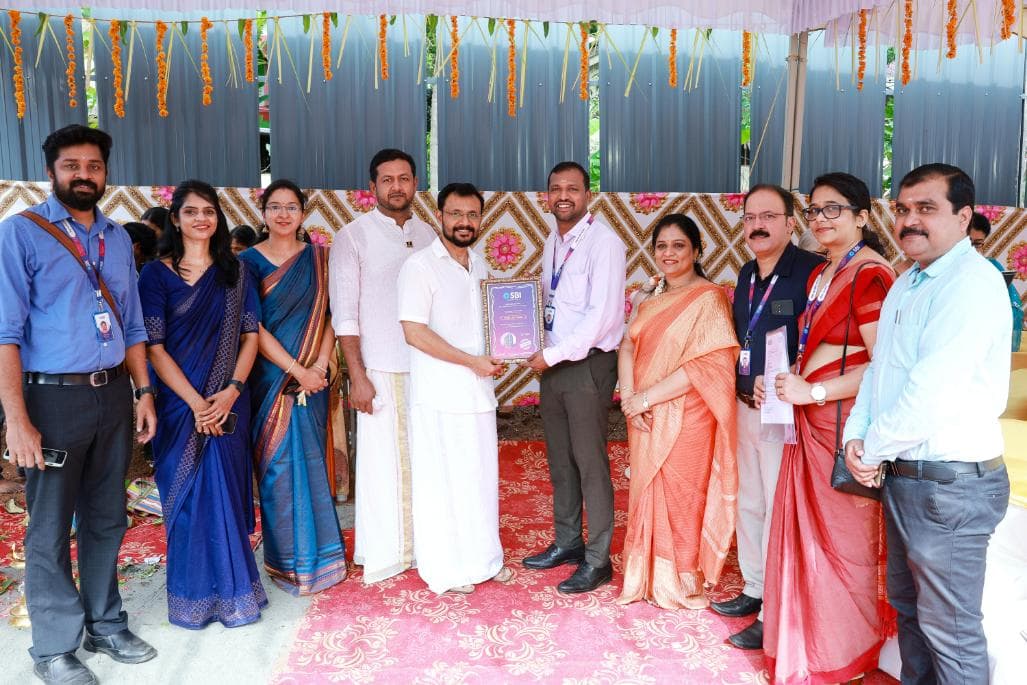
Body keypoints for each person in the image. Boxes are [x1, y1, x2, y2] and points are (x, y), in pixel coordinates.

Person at [0, 124, 157, 684]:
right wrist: (17, 419)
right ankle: (53, 647)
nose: (83, 175)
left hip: (112, 393)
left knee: (107, 517)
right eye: (72, 165)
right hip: (52, 398)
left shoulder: (116, 237)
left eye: (93, 166)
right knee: (49, 526)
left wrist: (142, 391)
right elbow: (5, 334)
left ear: (105, 172)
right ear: (51, 172)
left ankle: (105, 623)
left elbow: (132, 325)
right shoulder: (20, 234)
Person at [844, 164, 1011, 685]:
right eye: (902, 209)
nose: (909, 220)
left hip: (950, 488)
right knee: (911, 614)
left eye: (926, 208)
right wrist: (857, 435)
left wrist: (872, 449)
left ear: (963, 217)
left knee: (951, 633)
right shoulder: (908, 281)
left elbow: (931, 393)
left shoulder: (971, 284)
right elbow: (880, 370)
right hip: (908, 477)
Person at [759, 173, 896, 682]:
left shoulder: (870, 274)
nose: (820, 218)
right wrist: (782, 382)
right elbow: (812, 349)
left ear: (862, 216)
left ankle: (842, 653)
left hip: (840, 428)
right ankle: (809, 647)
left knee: (842, 546)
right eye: (814, 210)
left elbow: (883, 367)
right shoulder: (823, 272)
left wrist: (812, 392)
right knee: (807, 542)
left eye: (833, 209)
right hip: (809, 421)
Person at [139, 179, 267, 629]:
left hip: (230, 401)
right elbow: (154, 348)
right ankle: (193, 597)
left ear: (218, 218)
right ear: (175, 219)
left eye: (209, 211)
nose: (201, 219)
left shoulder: (237, 272)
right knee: (190, 498)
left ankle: (236, 593)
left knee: (225, 492)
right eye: (191, 212)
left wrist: (231, 390)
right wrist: (197, 404)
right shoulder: (156, 275)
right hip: (180, 406)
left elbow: (250, 337)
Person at [710, 184, 824, 650]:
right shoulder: (746, 273)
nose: (757, 225)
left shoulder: (812, 272)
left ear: (791, 223)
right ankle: (755, 587)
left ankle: (776, 606)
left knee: (780, 507)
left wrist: (790, 378)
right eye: (750, 217)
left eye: (769, 217)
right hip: (745, 406)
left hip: (785, 414)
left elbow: (820, 342)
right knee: (751, 502)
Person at [616, 214, 739, 610]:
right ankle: (645, 575)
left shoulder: (709, 299)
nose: (668, 253)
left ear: (697, 251)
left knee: (683, 492)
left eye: (678, 245)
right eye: (662, 246)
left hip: (687, 414)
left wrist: (645, 400)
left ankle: (678, 578)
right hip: (642, 411)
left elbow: (706, 366)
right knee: (645, 488)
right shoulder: (648, 298)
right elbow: (627, 346)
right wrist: (630, 399)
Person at [398, 182, 512, 594]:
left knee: (479, 479)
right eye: (456, 214)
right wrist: (470, 362)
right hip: (439, 395)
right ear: (440, 216)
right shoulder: (419, 267)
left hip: (478, 393)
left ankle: (484, 560)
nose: (464, 222)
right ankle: (446, 569)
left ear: (481, 218)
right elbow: (413, 332)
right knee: (442, 483)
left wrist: (504, 349)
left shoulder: (480, 265)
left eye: (472, 215)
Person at [328, 148, 435, 584]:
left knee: (427, 460)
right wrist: (358, 375)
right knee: (382, 467)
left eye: (404, 178)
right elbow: (345, 315)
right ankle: (387, 552)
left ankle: (427, 546)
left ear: (415, 184)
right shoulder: (352, 236)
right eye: (387, 179)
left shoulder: (430, 234)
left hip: (428, 368)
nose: (396, 187)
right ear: (372, 187)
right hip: (379, 370)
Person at [520, 161, 626, 594]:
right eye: (555, 189)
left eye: (573, 189)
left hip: (587, 365)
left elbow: (601, 318)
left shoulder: (605, 244)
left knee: (589, 463)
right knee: (561, 461)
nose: (563, 196)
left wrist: (551, 355)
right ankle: (568, 543)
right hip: (555, 365)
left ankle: (598, 560)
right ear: (546, 196)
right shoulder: (553, 241)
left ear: (588, 195)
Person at [238, 179, 347, 595]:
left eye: (291, 207)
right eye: (275, 207)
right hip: (269, 379)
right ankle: (286, 563)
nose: (283, 214)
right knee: (277, 468)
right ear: (263, 213)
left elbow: (334, 315)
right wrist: (296, 370)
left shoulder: (322, 259)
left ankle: (323, 558)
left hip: (314, 380)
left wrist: (318, 365)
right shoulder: (247, 262)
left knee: (313, 462)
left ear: (303, 214)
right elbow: (252, 325)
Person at [968, 211, 1023, 351]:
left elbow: (1014, 308)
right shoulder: (940, 268)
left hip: (987, 341)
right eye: (967, 243)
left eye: (977, 244)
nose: (972, 250)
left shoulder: (992, 267)